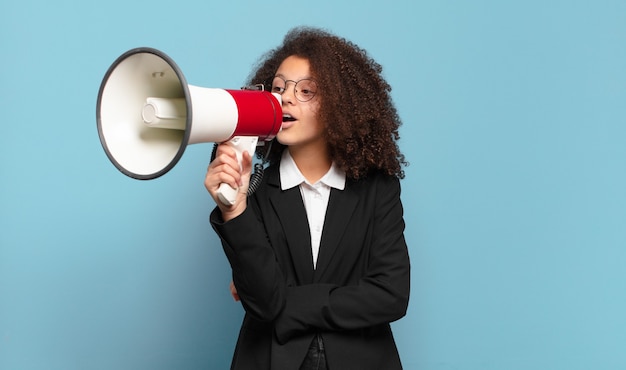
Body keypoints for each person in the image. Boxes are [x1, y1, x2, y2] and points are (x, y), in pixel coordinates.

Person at [204, 26, 410, 370]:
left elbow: (392, 295)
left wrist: (289, 301)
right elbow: (264, 304)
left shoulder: (378, 188)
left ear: (340, 105)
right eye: (279, 87)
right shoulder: (251, 190)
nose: (285, 98)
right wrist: (234, 208)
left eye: (306, 91)